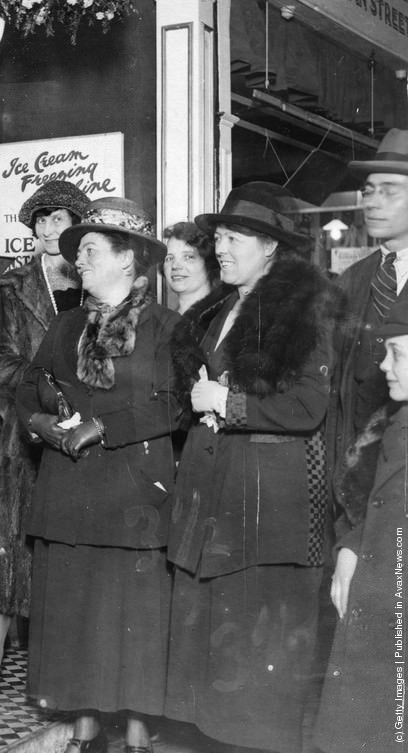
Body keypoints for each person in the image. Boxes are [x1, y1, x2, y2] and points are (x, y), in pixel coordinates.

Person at [165, 182, 340, 753]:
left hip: (270, 516)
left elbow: (307, 408)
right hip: (223, 503)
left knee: (262, 673)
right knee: (226, 664)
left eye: (233, 237)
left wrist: (226, 404)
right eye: (218, 237)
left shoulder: (301, 307)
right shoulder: (222, 307)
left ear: (269, 247)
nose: (220, 247)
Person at [15, 197, 183, 753]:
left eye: (89, 250)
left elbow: (176, 407)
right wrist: (40, 420)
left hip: (135, 492)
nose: (78, 262)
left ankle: (136, 735)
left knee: (133, 613)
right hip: (68, 489)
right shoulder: (65, 328)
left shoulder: (166, 328)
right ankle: (86, 731)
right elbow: (26, 387)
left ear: (128, 259)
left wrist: (102, 429)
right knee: (75, 607)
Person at [0, 180, 88, 698]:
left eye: (59, 219)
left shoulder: (97, 282)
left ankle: (68, 664)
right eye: (41, 220)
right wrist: (53, 393)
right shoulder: (8, 288)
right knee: (12, 544)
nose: (49, 229)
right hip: (29, 436)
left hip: (92, 437)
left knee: (75, 549)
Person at [314, 296, 408, 753]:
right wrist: (349, 547)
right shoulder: (396, 420)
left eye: (398, 354)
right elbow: (374, 500)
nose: (384, 366)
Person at [328, 128, 408, 537]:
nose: (372, 202)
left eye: (389, 190)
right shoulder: (349, 282)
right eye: (369, 189)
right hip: (354, 490)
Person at [161, 220, 218, 314]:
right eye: (169, 258)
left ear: (208, 262)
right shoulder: (167, 323)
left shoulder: (221, 319)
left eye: (188, 257)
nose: (175, 266)